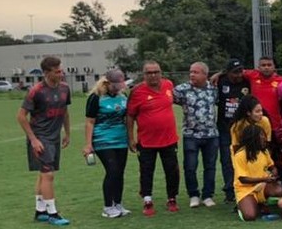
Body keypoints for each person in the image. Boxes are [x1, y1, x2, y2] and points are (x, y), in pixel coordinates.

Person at [17, 55, 72, 225]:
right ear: (47, 73)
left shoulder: (65, 88)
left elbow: (65, 111)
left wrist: (67, 133)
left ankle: (40, 211)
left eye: (61, 70)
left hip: (54, 137)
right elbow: (20, 116)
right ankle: (52, 213)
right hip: (41, 138)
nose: (61, 74)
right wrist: (33, 139)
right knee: (48, 174)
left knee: (43, 174)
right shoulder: (36, 91)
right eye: (57, 71)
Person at [126, 60, 180, 216]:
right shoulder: (137, 91)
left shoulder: (169, 85)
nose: (153, 75)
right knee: (146, 171)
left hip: (169, 139)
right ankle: (147, 200)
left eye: (156, 71)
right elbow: (130, 116)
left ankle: (172, 198)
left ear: (161, 72)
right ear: (144, 75)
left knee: (172, 171)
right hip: (146, 141)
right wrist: (130, 138)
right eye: (149, 73)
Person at [83, 69, 130, 218]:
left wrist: (131, 138)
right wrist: (88, 144)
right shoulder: (96, 98)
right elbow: (90, 122)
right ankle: (108, 206)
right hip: (103, 139)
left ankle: (118, 203)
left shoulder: (123, 96)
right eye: (116, 85)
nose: (119, 88)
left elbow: (127, 118)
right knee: (112, 171)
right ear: (107, 83)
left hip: (121, 139)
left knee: (120, 173)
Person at [173, 61, 219, 208]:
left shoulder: (214, 89)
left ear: (205, 75)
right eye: (191, 71)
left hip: (211, 134)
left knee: (210, 167)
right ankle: (193, 194)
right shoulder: (182, 90)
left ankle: (207, 195)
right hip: (191, 135)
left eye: (196, 72)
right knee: (190, 166)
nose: (192, 74)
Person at [231, 123, 282, 221]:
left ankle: (261, 202)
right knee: (250, 216)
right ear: (252, 138)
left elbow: (272, 166)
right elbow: (243, 179)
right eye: (261, 136)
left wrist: (274, 173)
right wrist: (264, 179)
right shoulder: (240, 155)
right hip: (245, 189)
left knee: (279, 190)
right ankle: (245, 206)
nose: (264, 138)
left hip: (262, 186)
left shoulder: (264, 152)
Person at [216, 58, 251, 202]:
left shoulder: (247, 81)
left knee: (246, 159)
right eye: (235, 72)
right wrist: (217, 75)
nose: (238, 75)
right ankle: (229, 192)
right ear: (228, 72)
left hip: (244, 129)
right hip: (225, 129)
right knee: (227, 160)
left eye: (240, 71)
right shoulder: (220, 81)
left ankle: (246, 189)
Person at [242, 55, 282, 130]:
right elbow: (235, 70)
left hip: (275, 124)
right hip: (255, 123)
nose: (266, 67)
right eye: (263, 65)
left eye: (269, 65)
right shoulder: (252, 75)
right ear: (258, 67)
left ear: (274, 67)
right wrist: (218, 74)